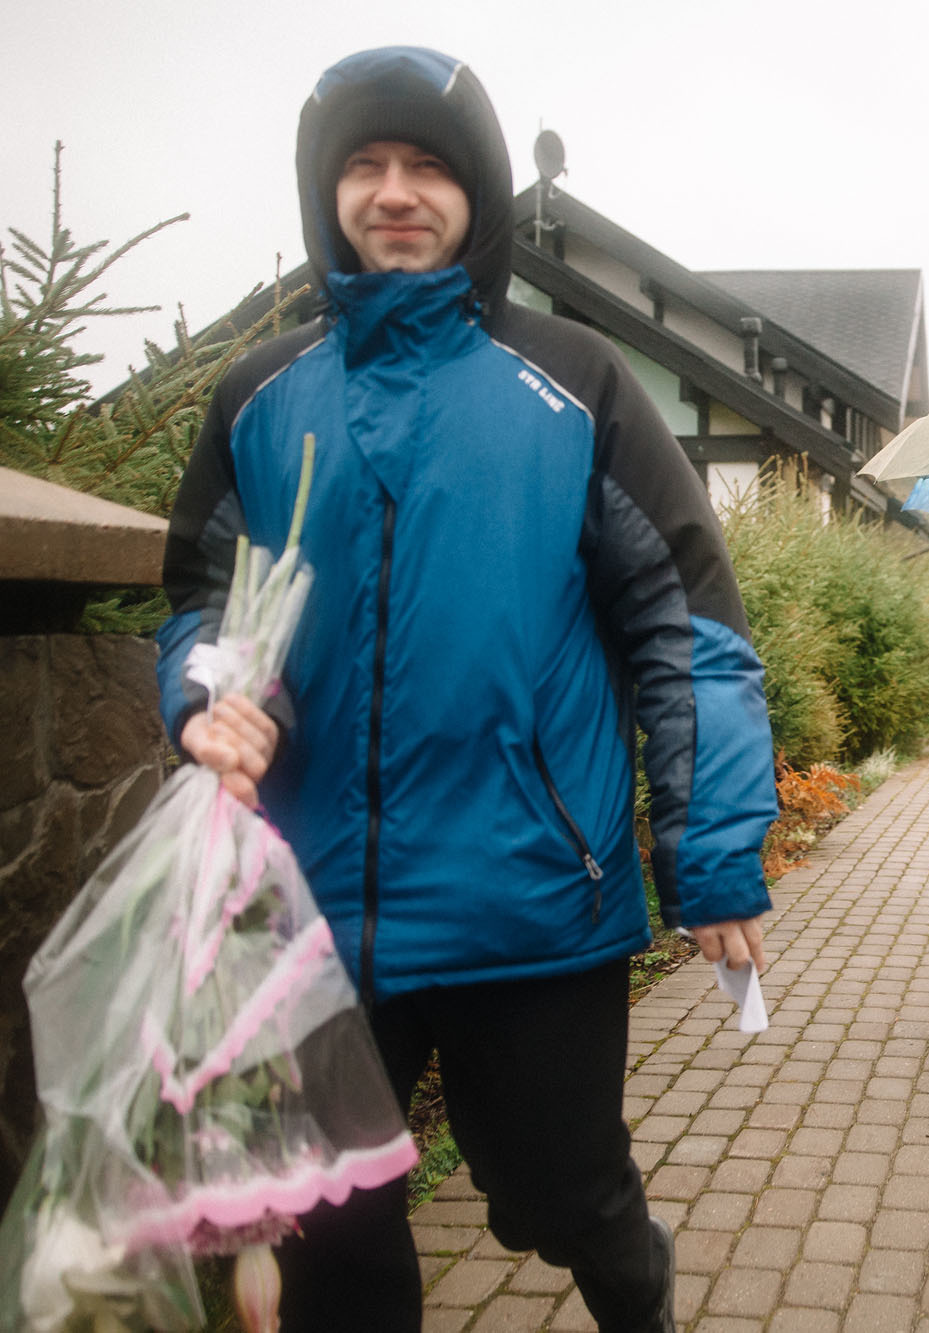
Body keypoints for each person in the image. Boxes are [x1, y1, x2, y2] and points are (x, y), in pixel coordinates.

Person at [157, 47, 777, 1333]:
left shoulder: (575, 384)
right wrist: (206, 695)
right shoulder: (258, 398)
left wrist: (709, 849)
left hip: (531, 902)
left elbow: (688, 626)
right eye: (365, 166)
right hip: (316, 911)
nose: (395, 191)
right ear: (325, 191)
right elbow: (204, 606)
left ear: (478, 193)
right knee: (336, 1247)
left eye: (428, 166)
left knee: (564, 1198)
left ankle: (636, 1294)